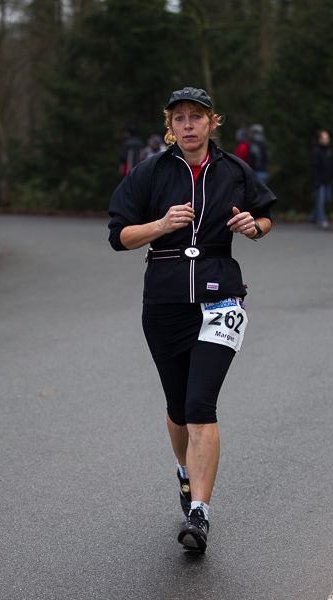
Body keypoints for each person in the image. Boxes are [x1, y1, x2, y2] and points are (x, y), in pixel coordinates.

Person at [108, 86, 276, 553]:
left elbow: (265, 216)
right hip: (164, 302)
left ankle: (199, 512)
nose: (188, 125)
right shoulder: (149, 172)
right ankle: (185, 472)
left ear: (211, 122)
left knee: (201, 403)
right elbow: (119, 236)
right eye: (179, 117)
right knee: (178, 407)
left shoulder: (235, 170)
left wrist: (254, 228)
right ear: (170, 125)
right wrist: (161, 225)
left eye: (196, 117)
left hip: (221, 298)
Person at [311, 129, 333, 229]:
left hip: (328, 180)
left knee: (326, 199)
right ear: (319, 139)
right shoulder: (316, 151)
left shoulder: (329, 150)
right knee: (321, 201)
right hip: (319, 181)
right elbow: (314, 167)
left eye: (327, 138)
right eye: (324, 138)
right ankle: (321, 220)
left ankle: (313, 216)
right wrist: (316, 180)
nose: (326, 140)